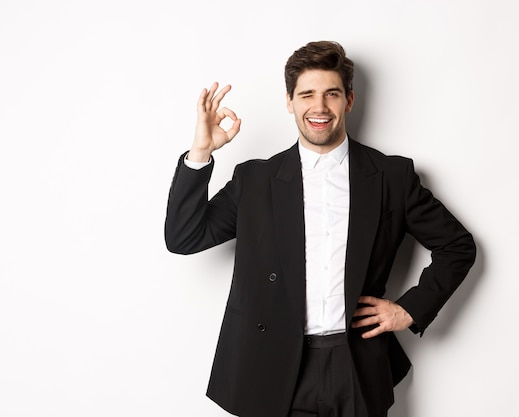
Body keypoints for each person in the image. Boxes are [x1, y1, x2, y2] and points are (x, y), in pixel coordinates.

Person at [165, 41, 476, 417]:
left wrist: (409, 309)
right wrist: (201, 151)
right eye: (307, 94)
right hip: (272, 367)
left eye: (331, 94)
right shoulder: (255, 180)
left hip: (356, 365)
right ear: (289, 101)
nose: (319, 107)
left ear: (349, 100)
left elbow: (457, 246)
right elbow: (183, 237)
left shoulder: (391, 177)